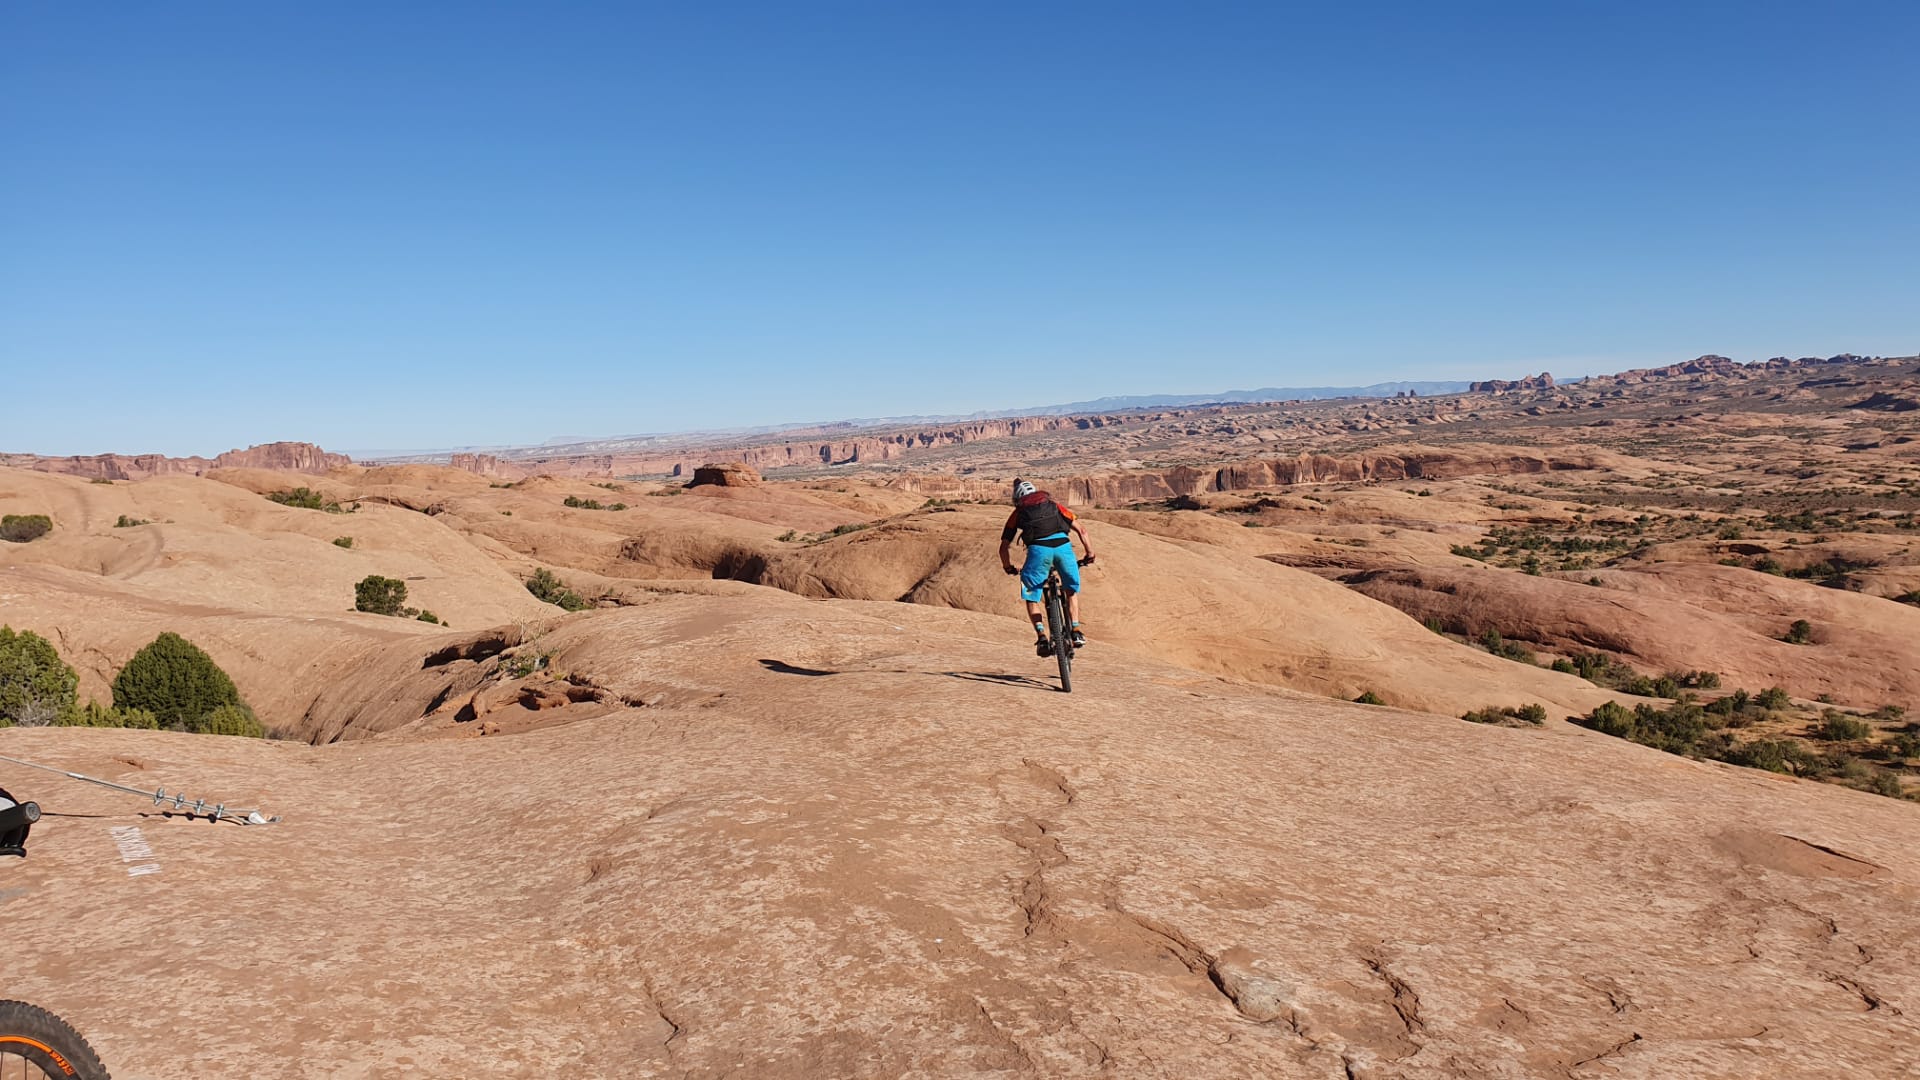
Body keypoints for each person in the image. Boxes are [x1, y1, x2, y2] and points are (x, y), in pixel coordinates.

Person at [999, 478, 1095, 656]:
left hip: (1038, 552)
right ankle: (1075, 630)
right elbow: (1082, 530)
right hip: (1063, 549)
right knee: (1070, 591)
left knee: (1032, 597)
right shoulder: (1055, 506)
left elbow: (1003, 547)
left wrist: (1008, 567)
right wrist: (1090, 554)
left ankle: (1042, 637)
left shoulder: (1017, 513)